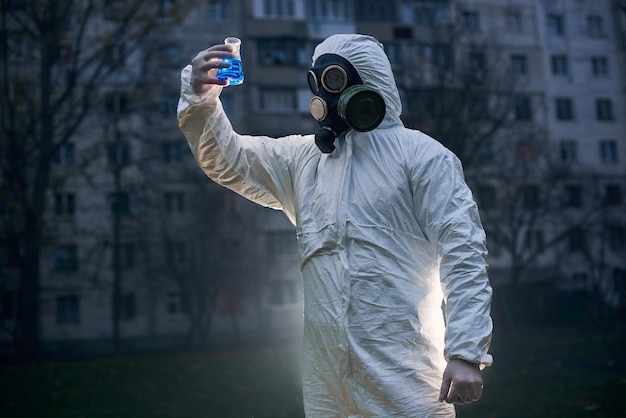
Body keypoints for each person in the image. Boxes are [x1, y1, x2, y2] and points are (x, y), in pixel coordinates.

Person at [177, 33, 493, 417]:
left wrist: (465, 352)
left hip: (406, 384)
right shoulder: (305, 162)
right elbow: (229, 159)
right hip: (327, 387)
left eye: (336, 80)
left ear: (369, 82)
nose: (326, 96)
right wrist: (201, 95)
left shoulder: (423, 158)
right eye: (319, 82)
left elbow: (463, 253)